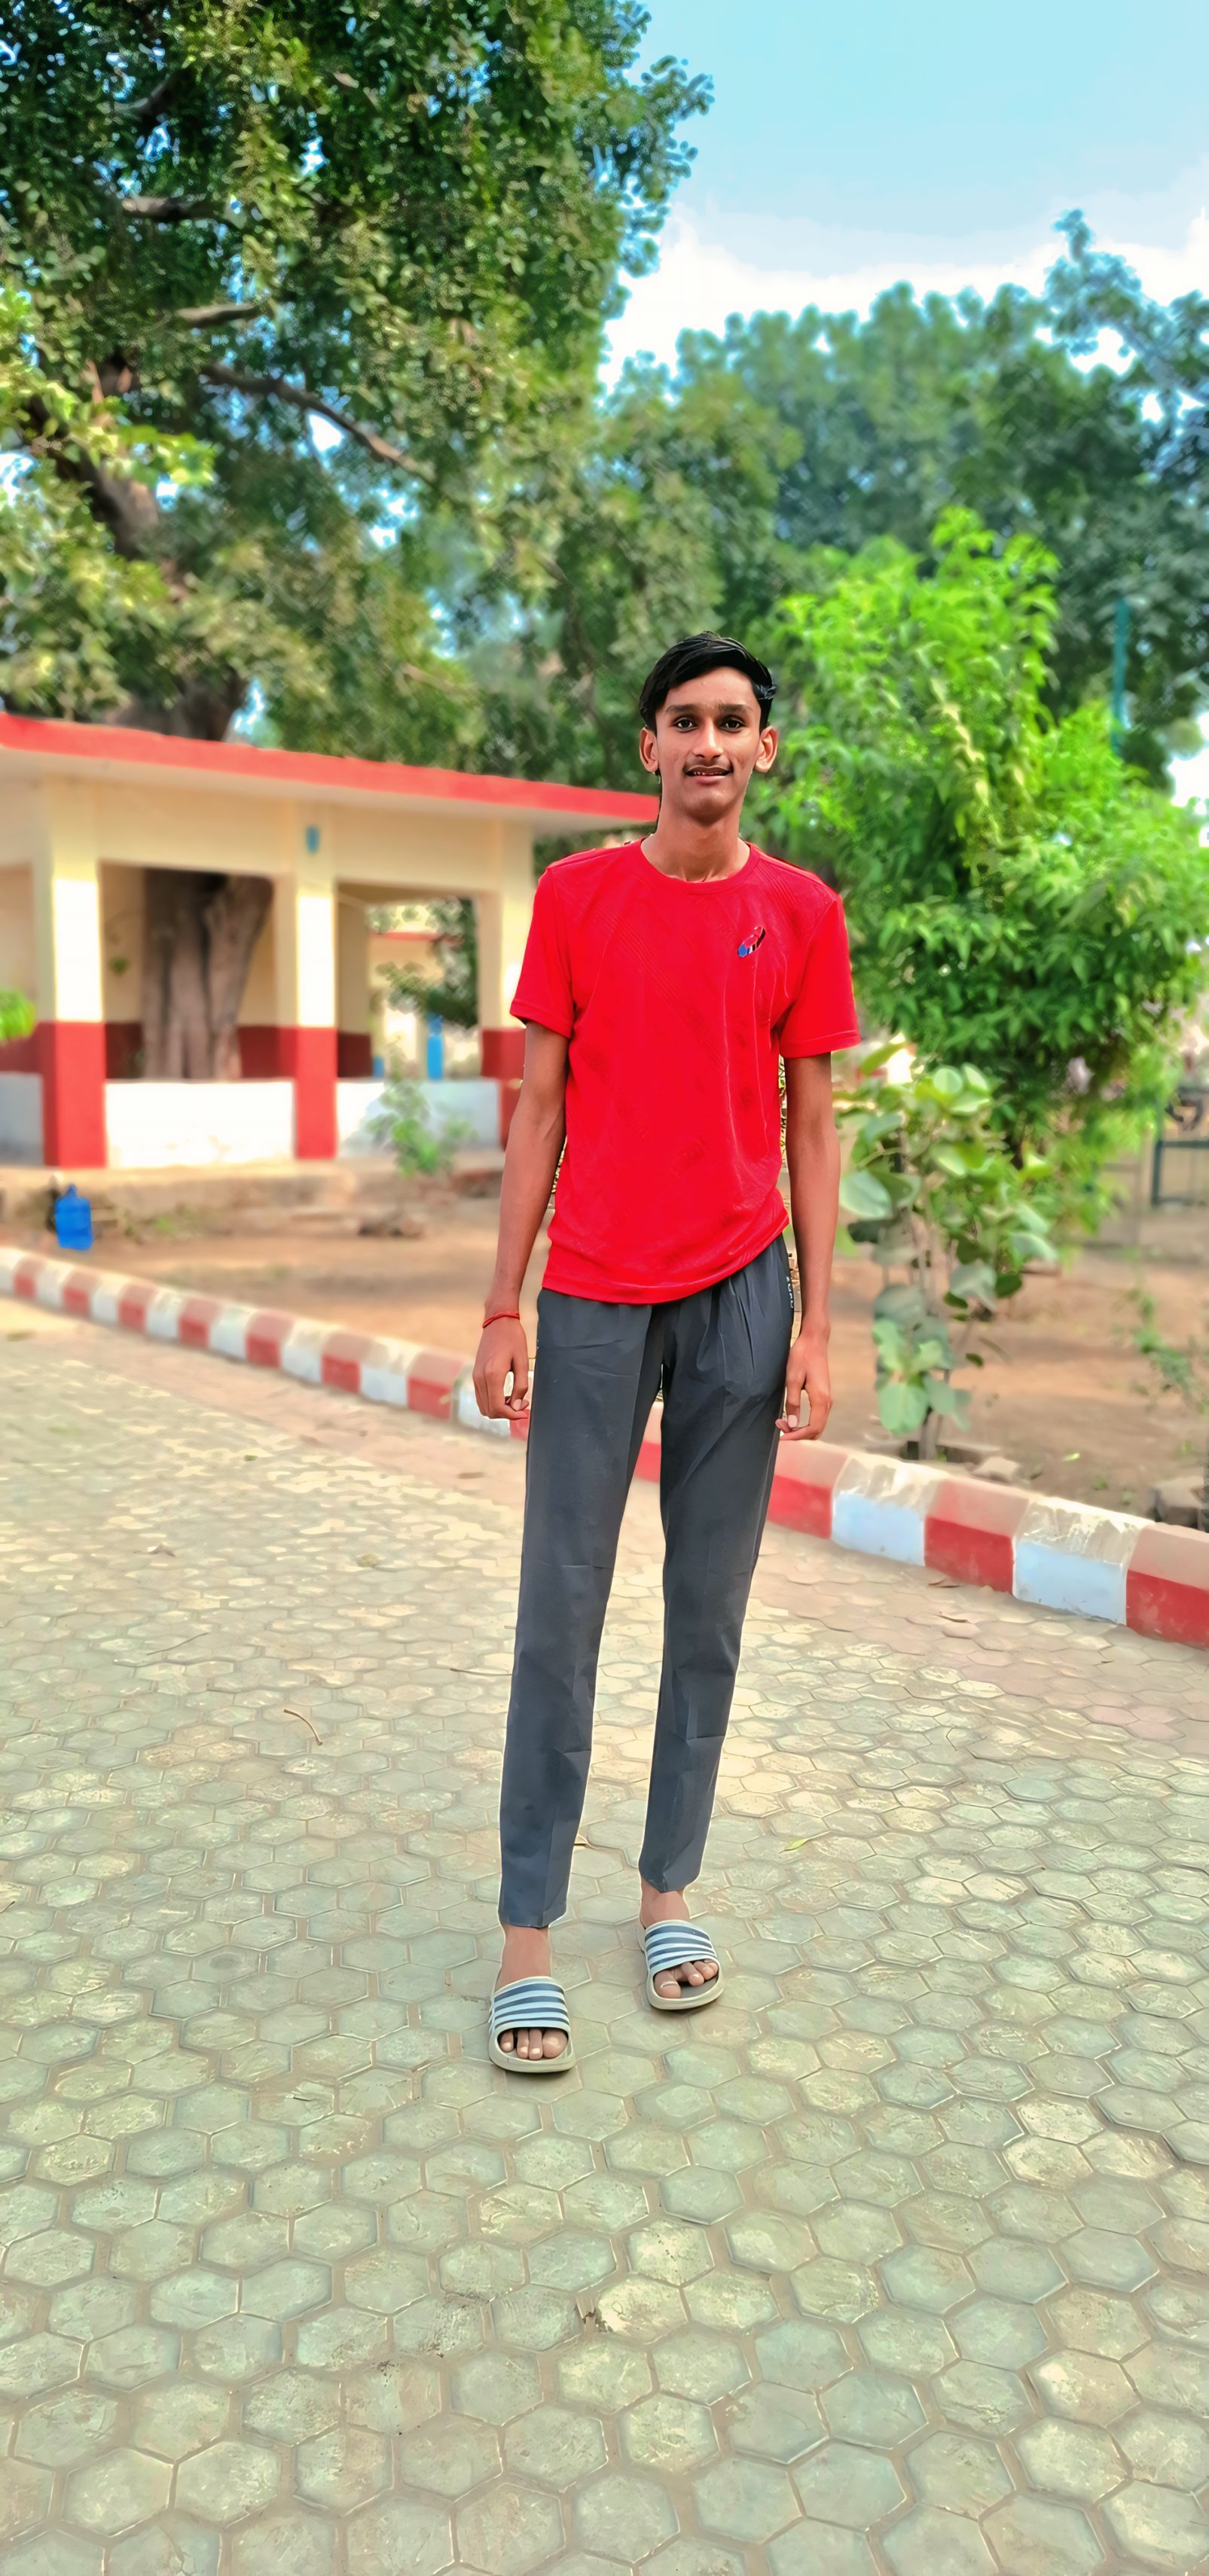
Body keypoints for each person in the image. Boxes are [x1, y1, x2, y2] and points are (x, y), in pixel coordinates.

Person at [473, 633, 859, 2070]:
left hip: (743, 1297)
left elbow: (813, 1124)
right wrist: (502, 1303)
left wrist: (817, 1322)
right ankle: (526, 1931)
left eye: (731, 722)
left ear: (763, 749)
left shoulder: (800, 912)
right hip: (590, 1296)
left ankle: (665, 1893)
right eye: (684, 721)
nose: (708, 743)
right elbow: (538, 1109)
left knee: (707, 1613)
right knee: (557, 1612)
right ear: (648, 748)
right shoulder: (576, 898)